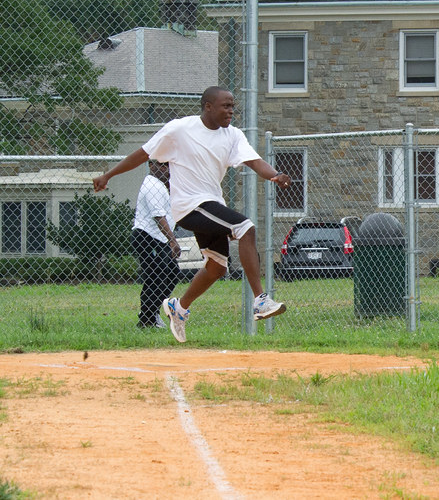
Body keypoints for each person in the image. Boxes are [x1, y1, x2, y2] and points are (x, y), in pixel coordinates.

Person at [94, 86, 291, 342]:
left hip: (210, 204)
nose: (230, 111)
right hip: (189, 206)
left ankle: (179, 307)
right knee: (245, 227)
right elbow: (143, 154)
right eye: (225, 106)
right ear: (208, 106)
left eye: (232, 106)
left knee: (217, 267)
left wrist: (275, 175)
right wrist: (108, 175)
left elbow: (254, 161)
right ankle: (260, 300)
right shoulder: (180, 129)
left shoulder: (233, 135)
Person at [132, 160, 181, 328]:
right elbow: (159, 217)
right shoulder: (153, 185)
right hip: (148, 237)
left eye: (167, 165)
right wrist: (172, 240)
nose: (165, 169)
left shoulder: (161, 185)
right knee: (155, 277)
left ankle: (151, 312)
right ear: (151, 165)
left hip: (159, 239)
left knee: (172, 273)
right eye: (161, 165)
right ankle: (147, 318)